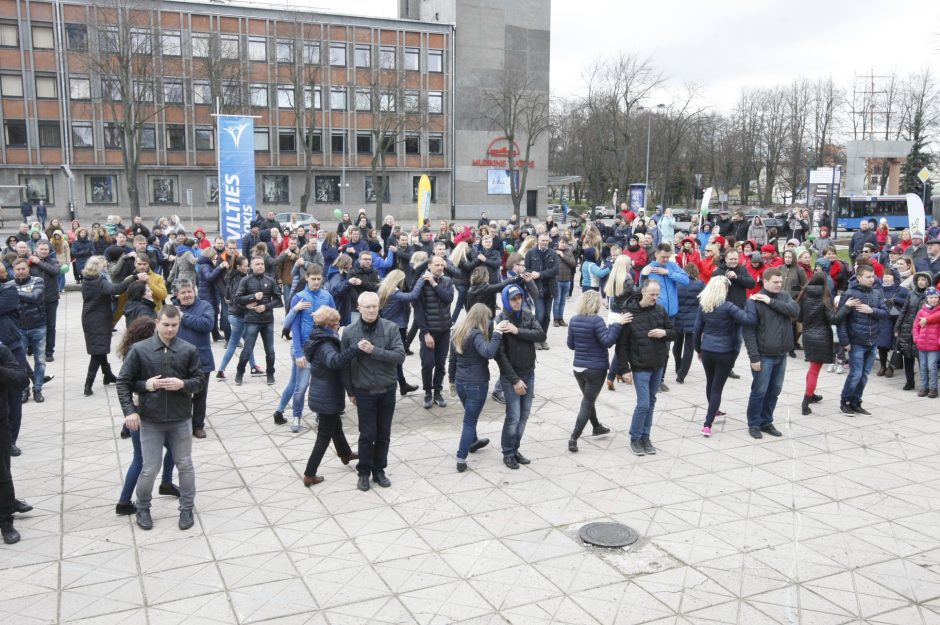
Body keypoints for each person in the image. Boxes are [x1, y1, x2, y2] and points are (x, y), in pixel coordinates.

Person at [117, 305, 204, 531]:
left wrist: (183, 384)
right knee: (149, 468)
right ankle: (143, 508)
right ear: (157, 324)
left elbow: (200, 381)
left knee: (185, 465)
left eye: (174, 325)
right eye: (165, 324)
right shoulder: (140, 350)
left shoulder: (188, 350)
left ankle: (186, 508)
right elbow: (124, 382)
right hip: (151, 420)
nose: (169, 329)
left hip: (180, 418)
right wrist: (130, 410)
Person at [340, 292, 406, 492]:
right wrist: (350, 391)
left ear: (379, 307)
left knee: (384, 433)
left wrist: (373, 350)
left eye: (374, 306)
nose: (371, 310)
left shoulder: (390, 327)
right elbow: (345, 364)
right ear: (358, 308)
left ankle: (379, 470)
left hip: (387, 388)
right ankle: (363, 472)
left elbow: (400, 356)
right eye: (367, 307)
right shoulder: (350, 331)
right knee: (367, 434)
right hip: (364, 390)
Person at [113, 317, 179, 516]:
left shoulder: (144, 351)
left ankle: (166, 482)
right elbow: (127, 384)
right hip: (142, 414)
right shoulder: (139, 354)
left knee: (176, 449)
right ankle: (124, 502)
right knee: (140, 459)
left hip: (154, 412)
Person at [301, 306, 360, 486]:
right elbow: (334, 361)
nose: (339, 325)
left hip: (321, 392)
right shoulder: (326, 344)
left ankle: (345, 453)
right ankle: (310, 473)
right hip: (327, 395)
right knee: (324, 435)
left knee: (336, 425)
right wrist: (354, 349)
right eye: (336, 322)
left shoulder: (318, 336)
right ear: (329, 324)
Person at [565, 291, 630, 453]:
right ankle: (574, 437)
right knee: (587, 402)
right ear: (594, 304)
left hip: (578, 368)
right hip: (595, 369)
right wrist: (617, 325)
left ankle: (597, 427)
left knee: (589, 398)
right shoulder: (597, 321)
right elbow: (607, 342)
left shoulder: (574, 320)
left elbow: (571, 345)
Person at [615, 281, 674, 456]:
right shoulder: (629, 313)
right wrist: (624, 369)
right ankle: (635, 437)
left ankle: (645, 437)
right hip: (640, 364)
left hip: (658, 363)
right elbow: (621, 344)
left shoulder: (660, 310)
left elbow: (673, 332)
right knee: (643, 403)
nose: (655, 298)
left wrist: (665, 333)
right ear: (643, 292)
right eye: (652, 294)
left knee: (652, 401)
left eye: (657, 294)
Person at [693, 276, 755, 435]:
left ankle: (714, 410)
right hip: (724, 352)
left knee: (710, 382)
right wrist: (750, 304)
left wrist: (698, 349)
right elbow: (748, 320)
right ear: (725, 290)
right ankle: (708, 423)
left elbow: (697, 330)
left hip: (707, 350)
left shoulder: (704, 306)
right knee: (717, 388)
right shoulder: (729, 307)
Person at [742, 268, 800, 439]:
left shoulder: (784, 296)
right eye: (775, 282)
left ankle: (766, 421)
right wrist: (754, 357)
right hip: (764, 355)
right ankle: (754, 423)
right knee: (760, 391)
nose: (779, 285)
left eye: (780, 282)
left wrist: (770, 301)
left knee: (775, 390)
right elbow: (749, 331)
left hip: (782, 354)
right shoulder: (754, 302)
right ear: (765, 281)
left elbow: (795, 311)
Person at [449, 303, 506, 472]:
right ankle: (461, 457)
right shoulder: (476, 335)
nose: (489, 321)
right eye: (488, 318)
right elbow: (488, 352)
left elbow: (452, 360)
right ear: (481, 318)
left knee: (469, 415)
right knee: (469, 421)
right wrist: (497, 334)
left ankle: (473, 442)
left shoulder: (457, 332)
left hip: (460, 383)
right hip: (476, 385)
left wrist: (451, 381)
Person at [494, 283, 545, 469]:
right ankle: (507, 452)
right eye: (513, 299)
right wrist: (515, 380)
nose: (517, 301)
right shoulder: (501, 320)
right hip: (511, 376)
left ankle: (515, 449)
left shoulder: (527, 315)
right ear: (506, 300)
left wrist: (518, 332)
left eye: (519, 298)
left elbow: (540, 334)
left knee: (524, 415)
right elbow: (499, 355)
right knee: (513, 416)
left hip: (529, 371)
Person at [279, 264, 335, 432]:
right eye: (313, 279)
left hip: (322, 347)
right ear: (307, 278)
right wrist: (298, 353)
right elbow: (292, 327)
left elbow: (334, 321)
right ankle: (296, 415)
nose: (316, 282)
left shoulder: (327, 296)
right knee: (301, 386)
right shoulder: (299, 297)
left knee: (322, 383)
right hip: (303, 348)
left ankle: (320, 412)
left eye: (319, 279)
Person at [835, 264, 887, 416]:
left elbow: (885, 313)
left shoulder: (877, 293)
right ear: (859, 278)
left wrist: (871, 311)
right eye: (868, 277)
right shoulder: (850, 294)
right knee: (855, 374)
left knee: (864, 375)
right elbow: (841, 320)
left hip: (873, 340)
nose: (872, 279)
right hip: (857, 341)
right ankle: (845, 402)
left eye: (873, 277)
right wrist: (845, 342)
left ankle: (856, 402)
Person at [639, 243, 689, 391]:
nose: (665, 259)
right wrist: (643, 274)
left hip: (671, 315)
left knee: (666, 349)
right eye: (662, 257)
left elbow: (686, 280)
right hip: (654, 315)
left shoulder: (671, 266)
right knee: (654, 347)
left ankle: (659, 379)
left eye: (668, 257)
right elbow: (639, 287)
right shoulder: (649, 269)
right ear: (656, 255)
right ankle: (649, 377)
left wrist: (667, 272)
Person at [172, 281, 214, 438]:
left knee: (200, 396)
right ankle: (182, 425)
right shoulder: (171, 309)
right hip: (178, 359)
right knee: (181, 395)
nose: (187, 295)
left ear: (194, 292)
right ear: (177, 295)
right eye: (183, 293)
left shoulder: (205, 306)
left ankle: (198, 426)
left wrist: (183, 316)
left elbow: (207, 324)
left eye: (189, 291)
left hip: (201, 359)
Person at [233, 256, 282, 386]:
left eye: (262, 264)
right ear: (252, 267)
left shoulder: (270, 280)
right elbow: (237, 299)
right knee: (247, 349)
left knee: (270, 350)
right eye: (257, 264)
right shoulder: (245, 280)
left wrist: (265, 306)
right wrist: (252, 297)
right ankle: (240, 372)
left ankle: (270, 373)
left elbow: (278, 300)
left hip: (267, 320)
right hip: (252, 320)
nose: (260, 266)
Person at [414, 255, 454, 409]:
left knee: (440, 364)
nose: (440, 267)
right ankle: (427, 392)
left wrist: (435, 284)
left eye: (442, 265)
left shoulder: (447, 281)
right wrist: (425, 333)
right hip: (429, 331)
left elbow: (448, 298)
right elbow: (418, 311)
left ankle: (437, 391)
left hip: (444, 330)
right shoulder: (421, 283)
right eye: (437, 264)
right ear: (429, 266)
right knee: (427, 363)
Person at [377, 269, 423, 396]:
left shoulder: (384, 290)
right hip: (396, 329)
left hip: (390, 327)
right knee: (397, 358)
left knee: (395, 359)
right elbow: (413, 296)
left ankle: (402, 384)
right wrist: (421, 280)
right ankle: (397, 385)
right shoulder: (395, 293)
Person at [216, 256, 260, 379]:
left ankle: (253, 367)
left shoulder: (231, 276)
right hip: (238, 316)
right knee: (233, 345)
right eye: (245, 266)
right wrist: (248, 305)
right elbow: (235, 299)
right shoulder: (240, 279)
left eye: (248, 265)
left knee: (248, 343)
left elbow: (228, 297)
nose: (248, 268)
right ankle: (220, 371)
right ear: (239, 267)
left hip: (233, 314)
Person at [797, 273, 835, 415]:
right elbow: (833, 319)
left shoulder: (804, 295)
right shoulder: (826, 297)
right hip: (822, 336)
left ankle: (811, 395)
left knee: (812, 368)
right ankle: (805, 403)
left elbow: (799, 317)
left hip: (808, 335)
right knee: (814, 370)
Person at [894, 271, 933, 390]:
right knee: (907, 356)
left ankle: (926, 384)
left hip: (923, 330)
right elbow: (904, 311)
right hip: (907, 328)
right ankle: (909, 381)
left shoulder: (932, 295)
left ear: (928, 281)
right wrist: (897, 327)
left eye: (924, 280)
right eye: (919, 280)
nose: (921, 282)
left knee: (922, 359)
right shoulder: (911, 294)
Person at [524, 233, 558, 348]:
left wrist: (540, 274)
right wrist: (530, 279)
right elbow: (527, 270)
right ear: (538, 241)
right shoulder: (531, 253)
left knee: (548, 315)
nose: (545, 242)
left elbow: (555, 270)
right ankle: (536, 338)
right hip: (536, 289)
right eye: (542, 240)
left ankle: (543, 338)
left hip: (550, 288)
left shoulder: (553, 253)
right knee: (540, 314)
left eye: (547, 241)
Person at [673, 264, 704, 384]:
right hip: (693, 319)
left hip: (678, 317)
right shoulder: (700, 284)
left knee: (677, 344)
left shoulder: (677, 284)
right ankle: (682, 374)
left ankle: (677, 366)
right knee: (689, 348)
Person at [913, 287, 940, 397]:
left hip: (934, 346)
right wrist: (917, 338)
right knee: (922, 367)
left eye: (936, 297)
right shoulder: (921, 311)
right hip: (922, 344)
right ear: (926, 298)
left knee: (932, 367)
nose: (934, 299)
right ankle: (924, 387)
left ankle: (933, 388)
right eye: (931, 297)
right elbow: (916, 327)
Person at [553, 238, 577, 326]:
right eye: (562, 242)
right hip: (557, 281)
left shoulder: (568, 252)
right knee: (557, 301)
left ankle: (561, 318)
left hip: (567, 280)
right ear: (558, 242)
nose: (564, 244)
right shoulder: (553, 252)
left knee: (563, 301)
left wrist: (562, 255)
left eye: (566, 243)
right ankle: (555, 319)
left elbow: (573, 263)